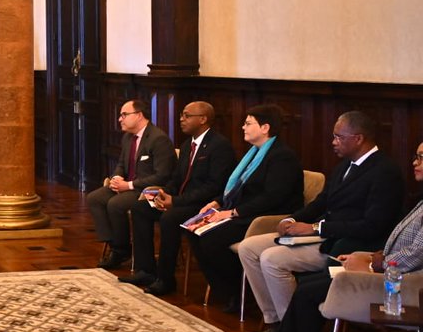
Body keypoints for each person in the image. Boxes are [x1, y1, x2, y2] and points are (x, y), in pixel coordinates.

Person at [268, 141, 423, 332]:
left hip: (401, 287)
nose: (414, 162)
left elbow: (417, 254)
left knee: (309, 293)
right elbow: (401, 245)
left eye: (421, 157)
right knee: (308, 285)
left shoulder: (385, 172)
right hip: (388, 272)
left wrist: (373, 262)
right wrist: (366, 256)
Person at [238, 111, 405, 332]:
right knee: (249, 248)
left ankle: (293, 331)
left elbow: (371, 226)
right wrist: (292, 220)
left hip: (346, 244)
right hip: (324, 234)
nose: (333, 142)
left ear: (358, 138)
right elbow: (322, 201)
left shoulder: (385, 172)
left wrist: (316, 228)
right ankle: (274, 319)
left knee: (271, 259)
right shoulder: (345, 165)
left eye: (338, 137)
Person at [186, 104, 304, 312]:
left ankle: (239, 292)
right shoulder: (252, 154)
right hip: (243, 212)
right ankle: (223, 289)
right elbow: (238, 188)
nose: (243, 127)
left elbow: (272, 197)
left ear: (265, 127)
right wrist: (217, 203)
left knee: (212, 238)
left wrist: (232, 213)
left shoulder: (281, 156)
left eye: (248, 123)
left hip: (264, 218)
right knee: (194, 230)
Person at [121, 101, 236, 295]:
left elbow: (214, 186)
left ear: (203, 119)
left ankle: (166, 279)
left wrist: (175, 201)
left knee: (170, 218)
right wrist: (163, 194)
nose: (181, 119)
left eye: (186, 115)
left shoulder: (219, 146)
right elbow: (177, 178)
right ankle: (146, 269)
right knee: (140, 207)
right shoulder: (186, 145)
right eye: (182, 115)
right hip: (180, 200)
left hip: (202, 205)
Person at [89, 99, 176, 269]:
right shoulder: (128, 138)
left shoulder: (158, 139)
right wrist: (116, 179)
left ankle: (120, 251)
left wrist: (128, 185)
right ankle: (116, 244)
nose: (120, 119)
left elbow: (162, 176)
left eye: (124, 115)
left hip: (147, 190)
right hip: (127, 186)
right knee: (95, 198)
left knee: (115, 204)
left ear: (139, 116)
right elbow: (122, 164)